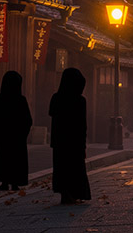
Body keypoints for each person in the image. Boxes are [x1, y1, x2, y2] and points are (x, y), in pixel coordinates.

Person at [0, 70, 32, 191]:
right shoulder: (21, 100)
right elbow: (28, 120)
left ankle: (4, 182)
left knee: (3, 159)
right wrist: (23, 134)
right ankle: (15, 183)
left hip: (2, 137)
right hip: (17, 138)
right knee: (16, 160)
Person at [49, 68, 91, 204]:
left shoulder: (56, 98)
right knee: (75, 167)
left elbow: (52, 115)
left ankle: (65, 194)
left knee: (62, 167)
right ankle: (75, 193)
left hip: (60, 139)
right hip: (75, 139)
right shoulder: (80, 100)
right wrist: (83, 143)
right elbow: (82, 124)